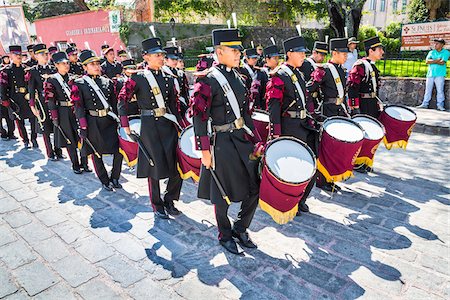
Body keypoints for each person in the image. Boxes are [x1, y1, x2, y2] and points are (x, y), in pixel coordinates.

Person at [191, 28, 260, 255]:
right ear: (220, 52)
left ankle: (240, 228)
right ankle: (225, 234)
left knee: (254, 188)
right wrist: (204, 151)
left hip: (242, 140)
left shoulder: (240, 77)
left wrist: (257, 140)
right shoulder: (208, 81)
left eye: (239, 49)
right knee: (222, 194)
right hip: (220, 143)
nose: (239, 53)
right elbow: (199, 117)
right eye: (234, 50)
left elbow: (246, 113)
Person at [118, 36, 184, 219]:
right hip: (149, 127)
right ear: (146, 56)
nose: (161, 58)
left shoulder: (169, 78)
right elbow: (122, 100)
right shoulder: (138, 78)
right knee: (154, 167)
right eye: (156, 55)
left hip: (168, 125)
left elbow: (174, 105)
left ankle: (170, 199)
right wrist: (126, 126)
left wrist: (181, 126)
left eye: (162, 54)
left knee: (176, 165)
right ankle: (157, 204)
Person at [266, 35, 318, 215]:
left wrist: (313, 117)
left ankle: (301, 198)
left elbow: (307, 100)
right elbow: (273, 107)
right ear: (289, 53)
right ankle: (290, 201)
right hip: (289, 127)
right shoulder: (280, 75)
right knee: (293, 168)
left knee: (310, 164)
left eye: (304, 53)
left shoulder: (298, 73)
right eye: (300, 53)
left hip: (303, 125)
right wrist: (275, 135)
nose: (304, 56)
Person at [71, 50, 123, 191]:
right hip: (92, 122)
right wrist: (83, 126)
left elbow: (114, 103)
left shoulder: (107, 81)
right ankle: (104, 180)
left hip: (109, 120)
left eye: (97, 63)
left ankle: (115, 176)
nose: (96, 66)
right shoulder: (79, 83)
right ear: (85, 67)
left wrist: (120, 121)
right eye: (92, 64)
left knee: (119, 149)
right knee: (96, 152)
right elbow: (78, 106)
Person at [307, 38, 349, 192]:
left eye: (346, 54)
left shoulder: (342, 71)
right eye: (343, 53)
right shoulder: (323, 69)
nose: (346, 56)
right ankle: (322, 179)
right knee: (326, 147)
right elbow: (310, 90)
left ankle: (331, 177)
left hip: (339, 110)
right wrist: (313, 111)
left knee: (336, 147)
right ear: (335, 53)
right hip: (327, 111)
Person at [45, 51, 91, 174]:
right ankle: (75, 164)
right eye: (63, 63)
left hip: (76, 110)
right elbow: (50, 100)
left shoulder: (74, 78)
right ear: (56, 65)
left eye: (67, 63)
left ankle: (85, 163)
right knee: (70, 139)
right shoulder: (52, 80)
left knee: (82, 137)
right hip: (63, 112)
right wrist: (54, 117)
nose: (66, 65)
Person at [27, 43, 63, 160]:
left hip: (55, 102)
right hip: (42, 104)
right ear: (36, 56)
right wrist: (33, 106)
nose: (46, 56)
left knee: (57, 127)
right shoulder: (33, 71)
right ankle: (50, 152)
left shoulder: (53, 69)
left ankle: (58, 149)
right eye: (42, 54)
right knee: (46, 129)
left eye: (47, 54)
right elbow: (31, 90)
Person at [0, 45, 36, 147]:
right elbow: (3, 86)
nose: (18, 56)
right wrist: (5, 100)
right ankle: (25, 140)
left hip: (27, 97)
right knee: (20, 121)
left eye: (20, 54)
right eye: (16, 54)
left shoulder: (26, 68)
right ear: (10, 55)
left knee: (33, 119)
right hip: (15, 99)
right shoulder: (6, 70)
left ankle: (34, 138)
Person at [347, 36, 385, 118]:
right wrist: (355, 107)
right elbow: (352, 87)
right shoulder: (361, 66)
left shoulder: (372, 66)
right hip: (363, 106)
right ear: (371, 51)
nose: (382, 52)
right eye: (379, 49)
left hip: (372, 105)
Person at [417, 38, 449, 111]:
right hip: (430, 74)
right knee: (428, 90)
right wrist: (437, 60)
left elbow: (442, 62)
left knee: (440, 90)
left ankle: (440, 105)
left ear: (442, 45)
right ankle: (425, 104)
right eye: (434, 43)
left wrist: (433, 61)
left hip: (440, 74)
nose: (435, 45)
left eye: (437, 43)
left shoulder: (446, 52)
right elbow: (427, 61)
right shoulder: (431, 52)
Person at [162, 46, 189, 119]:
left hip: (181, 105)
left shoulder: (180, 73)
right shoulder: (162, 73)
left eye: (176, 59)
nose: (175, 62)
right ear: (165, 59)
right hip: (169, 109)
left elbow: (185, 92)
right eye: (173, 59)